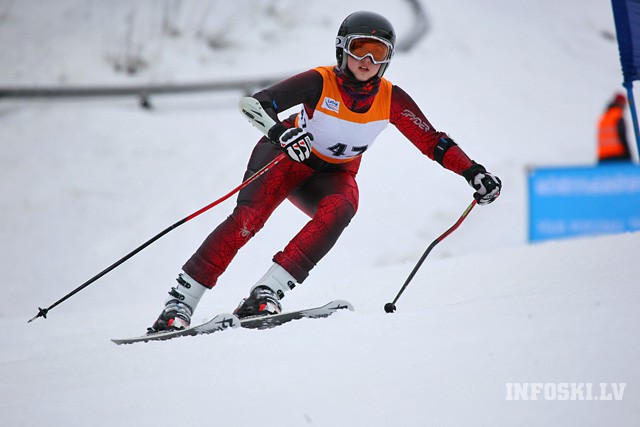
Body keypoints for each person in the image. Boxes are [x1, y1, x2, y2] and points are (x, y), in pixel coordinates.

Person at [148, 11, 502, 332]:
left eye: (377, 53)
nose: (367, 61)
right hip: (286, 159)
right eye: (359, 48)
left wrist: (473, 172)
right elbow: (254, 103)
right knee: (247, 220)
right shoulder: (320, 81)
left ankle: (265, 294)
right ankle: (179, 304)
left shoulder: (391, 98)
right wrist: (281, 133)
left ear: (388, 59)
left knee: (343, 205)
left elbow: (432, 141)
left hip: (330, 176)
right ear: (342, 48)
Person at [598, 92, 632, 163]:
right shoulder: (617, 117)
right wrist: (628, 154)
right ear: (621, 103)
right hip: (617, 155)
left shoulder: (604, 117)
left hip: (603, 157)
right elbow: (622, 136)